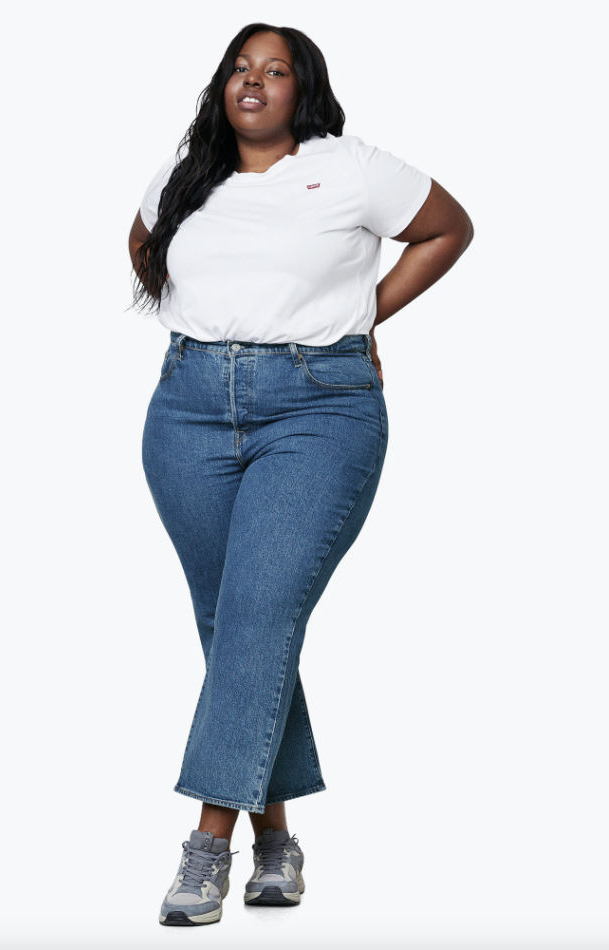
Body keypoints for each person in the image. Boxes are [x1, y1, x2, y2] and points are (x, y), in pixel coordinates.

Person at [128, 23, 473, 928]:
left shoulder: (349, 168)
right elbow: (142, 243)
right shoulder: (189, 173)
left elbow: (448, 228)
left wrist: (365, 318)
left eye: (275, 70)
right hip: (188, 411)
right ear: (222, 85)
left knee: (257, 612)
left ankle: (208, 846)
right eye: (241, 68)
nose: (254, 81)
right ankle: (276, 842)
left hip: (319, 409)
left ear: (302, 89)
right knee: (233, 623)